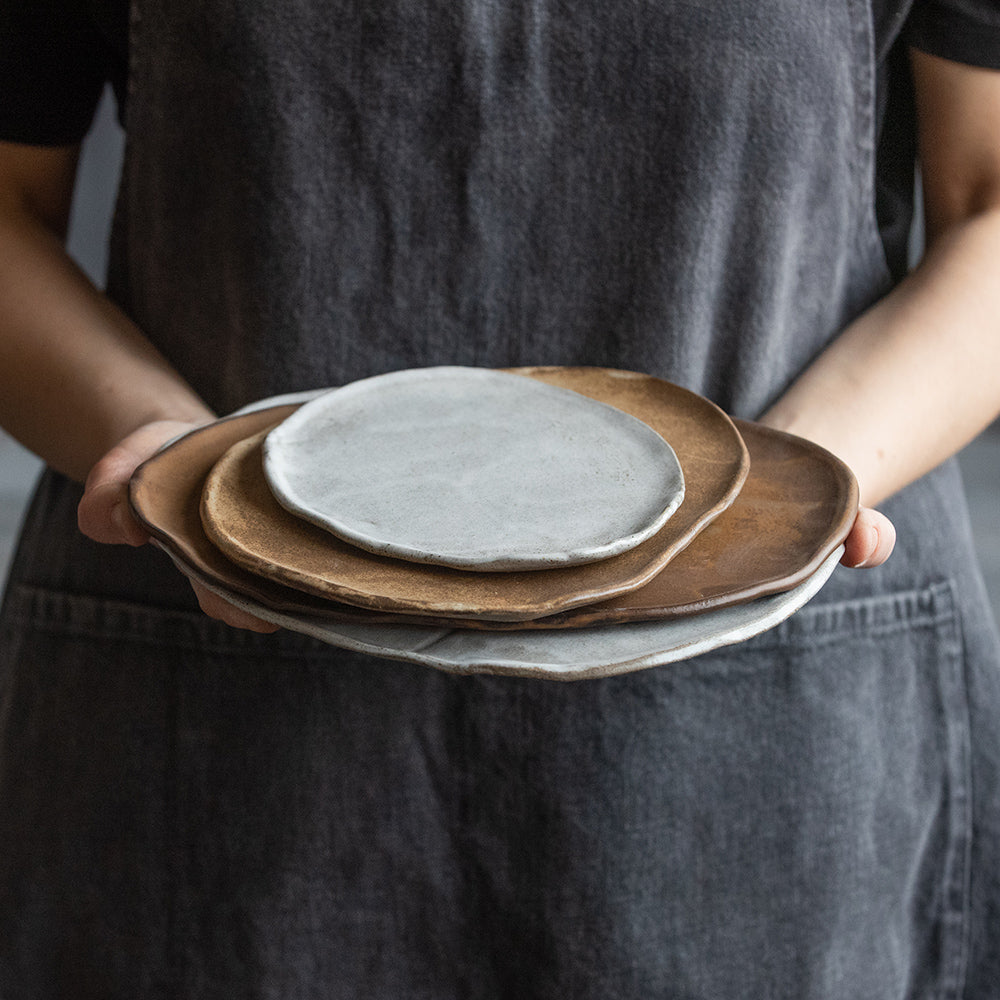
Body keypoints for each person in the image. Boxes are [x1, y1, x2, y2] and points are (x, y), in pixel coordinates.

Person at [1, 0, 998, 996]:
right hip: (218, 731)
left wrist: (788, 495)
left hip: (760, 736)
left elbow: (987, 200)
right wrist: (183, 473)